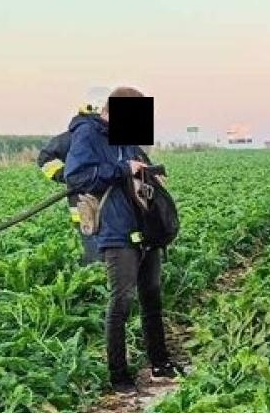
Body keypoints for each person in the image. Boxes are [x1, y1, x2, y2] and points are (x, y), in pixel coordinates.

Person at [63, 86, 182, 394]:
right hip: (116, 230)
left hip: (145, 228)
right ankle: (119, 375)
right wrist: (121, 169)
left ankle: (160, 363)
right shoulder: (87, 134)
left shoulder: (127, 139)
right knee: (121, 302)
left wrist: (149, 174)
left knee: (152, 297)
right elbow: (76, 178)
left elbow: (134, 167)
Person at [35, 86, 111, 265]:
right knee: (96, 254)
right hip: (86, 208)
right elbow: (45, 159)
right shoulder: (74, 136)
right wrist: (67, 174)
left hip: (112, 206)